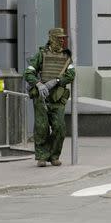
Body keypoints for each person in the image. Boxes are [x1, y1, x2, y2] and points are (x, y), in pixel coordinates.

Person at [24, 27, 75, 167]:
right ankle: (42, 156)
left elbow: (71, 75)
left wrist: (57, 81)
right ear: (52, 38)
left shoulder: (66, 57)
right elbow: (28, 73)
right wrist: (39, 84)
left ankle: (54, 155)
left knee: (60, 128)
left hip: (57, 98)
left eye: (63, 38)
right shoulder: (41, 55)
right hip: (41, 97)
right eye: (59, 38)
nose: (62, 40)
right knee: (42, 127)